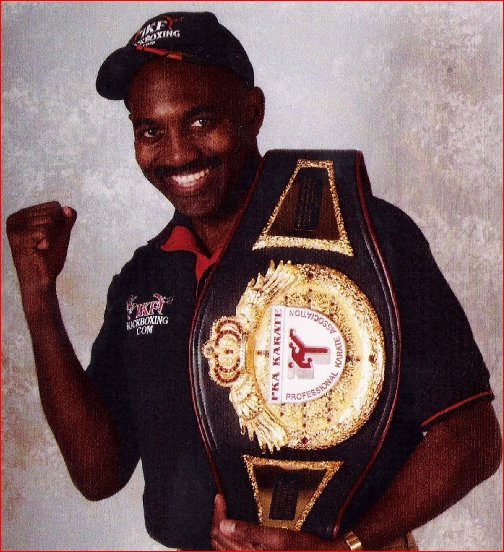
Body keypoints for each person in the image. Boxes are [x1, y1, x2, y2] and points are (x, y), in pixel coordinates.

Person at [6, 11, 501, 551]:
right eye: (150, 130)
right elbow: (98, 474)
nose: (177, 152)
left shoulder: (366, 236)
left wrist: (348, 547)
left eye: (201, 121)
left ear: (252, 111)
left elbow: (472, 436)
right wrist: (38, 296)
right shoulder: (144, 279)